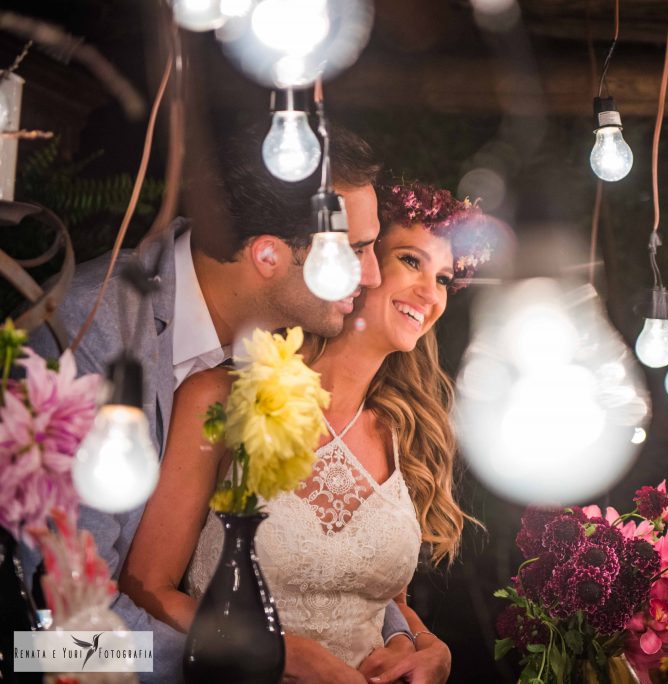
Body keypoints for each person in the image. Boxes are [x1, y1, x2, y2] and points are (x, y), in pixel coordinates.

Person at [26, 122, 433, 682]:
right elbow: (52, 640)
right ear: (267, 254)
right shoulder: (86, 337)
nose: (369, 273)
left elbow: (310, 559)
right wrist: (262, 660)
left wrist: (405, 635)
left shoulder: (275, 346)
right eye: (356, 250)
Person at [121, 182, 486, 684]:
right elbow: (148, 587)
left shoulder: (405, 431)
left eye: (444, 278)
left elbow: (381, 598)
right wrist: (271, 651)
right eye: (411, 261)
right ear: (357, 266)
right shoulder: (225, 398)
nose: (430, 293)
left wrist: (425, 646)